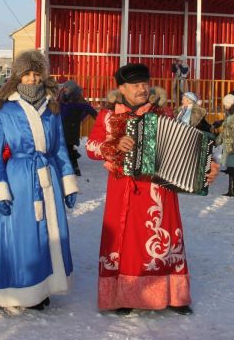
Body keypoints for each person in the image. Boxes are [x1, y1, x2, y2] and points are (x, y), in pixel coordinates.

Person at [86, 63, 219, 315]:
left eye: (145, 84)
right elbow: (91, 146)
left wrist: (206, 165)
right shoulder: (108, 115)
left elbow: (184, 144)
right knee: (127, 244)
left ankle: (173, 295)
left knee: (165, 239)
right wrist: (113, 144)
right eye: (136, 85)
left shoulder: (163, 113)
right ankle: (124, 295)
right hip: (124, 189)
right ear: (121, 88)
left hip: (159, 190)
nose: (142, 89)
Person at [0, 50, 78, 312]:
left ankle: (43, 287)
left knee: (49, 234)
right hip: (19, 179)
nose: (32, 79)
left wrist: (68, 181)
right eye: (27, 74)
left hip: (47, 175)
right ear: (18, 76)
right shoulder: (4, 108)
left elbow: (60, 148)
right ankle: (17, 288)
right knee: (22, 235)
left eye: (36, 74)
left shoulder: (52, 108)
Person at [58, 80, 98, 175]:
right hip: (62, 126)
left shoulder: (78, 100)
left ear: (72, 89)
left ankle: (73, 168)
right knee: (66, 147)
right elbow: (57, 108)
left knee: (68, 146)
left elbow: (90, 110)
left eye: (67, 88)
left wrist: (80, 118)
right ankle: (73, 167)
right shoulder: (62, 97)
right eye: (65, 88)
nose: (65, 89)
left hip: (72, 127)